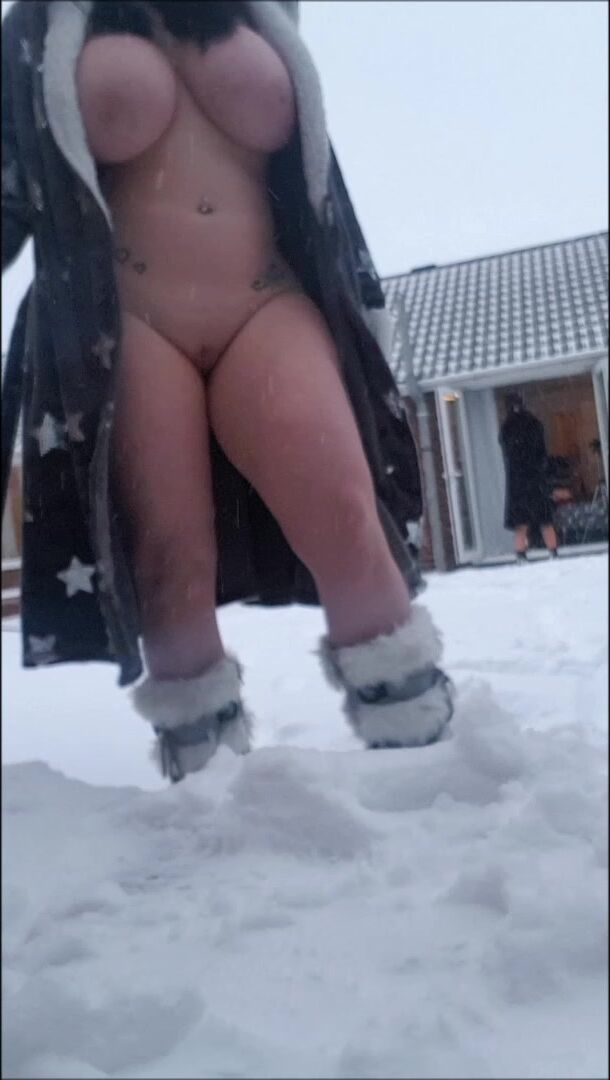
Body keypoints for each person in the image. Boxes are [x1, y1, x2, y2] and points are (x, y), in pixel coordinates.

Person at [2, 0, 453, 782]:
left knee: (346, 514)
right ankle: (204, 780)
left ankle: (421, 744)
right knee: (169, 552)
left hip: (266, 300)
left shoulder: (256, 7)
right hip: (129, 318)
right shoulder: (44, 22)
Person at [499, 391, 559, 562]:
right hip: (536, 478)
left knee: (521, 522)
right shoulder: (533, 423)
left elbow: (507, 450)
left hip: (517, 482)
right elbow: (542, 451)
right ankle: (553, 552)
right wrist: (542, 471)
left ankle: (521, 554)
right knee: (545, 519)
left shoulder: (507, 427)